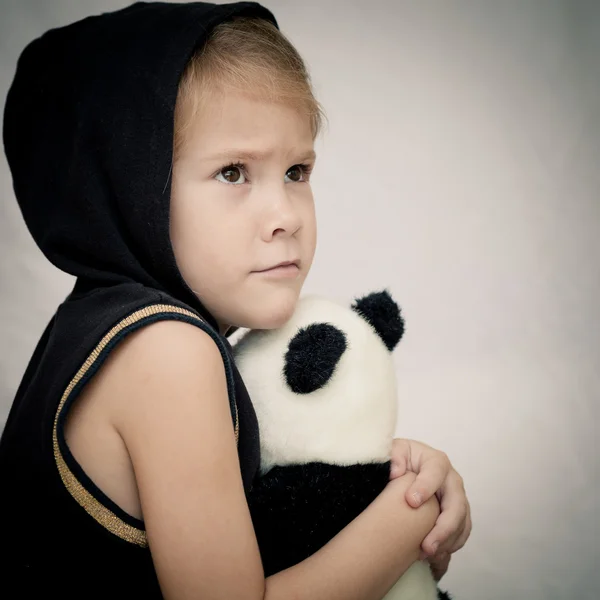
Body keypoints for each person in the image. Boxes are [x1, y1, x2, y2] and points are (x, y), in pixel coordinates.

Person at [0, 2, 471, 598]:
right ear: (131, 189)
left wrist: (380, 477)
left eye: (297, 171)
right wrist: (411, 515)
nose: (285, 217)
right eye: (233, 173)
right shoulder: (168, 351)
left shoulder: (98, 325)